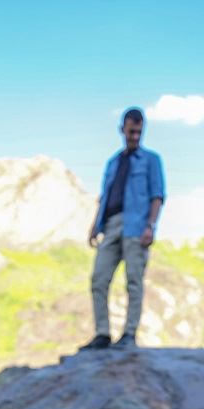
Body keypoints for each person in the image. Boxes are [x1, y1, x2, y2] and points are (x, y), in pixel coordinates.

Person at [79, 107, 166, 351]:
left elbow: (157, 195)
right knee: (99, 278)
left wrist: (151, 225)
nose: (135, 137)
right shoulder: (113, 163)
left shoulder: (151, 160)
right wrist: (95, 225)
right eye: (131, 132)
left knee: (134, 280)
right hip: (111, 225)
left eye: (139, 132)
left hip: (137, 226)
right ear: (122, 129)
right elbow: (105, 195)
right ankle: (102, 333)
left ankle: (129, 333)